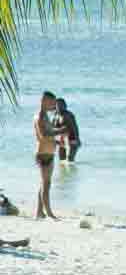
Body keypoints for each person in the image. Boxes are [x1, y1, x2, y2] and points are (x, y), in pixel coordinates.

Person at [33, 91, 67, 220]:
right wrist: (60, 130)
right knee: (46, 184)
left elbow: (49, 135)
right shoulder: (40, 117)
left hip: (49, 153)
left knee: (45, 183)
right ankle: (50, 214)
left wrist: (58, 142)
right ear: (44, 101)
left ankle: (39, 212)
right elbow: (43, 136)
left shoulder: (46, 116)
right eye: (52, 102)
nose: (54, 105)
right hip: (43, 154)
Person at [53, 97, 81, 162]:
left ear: (65, 106)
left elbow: (74, 127)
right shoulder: (55, 115)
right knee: (61, 160)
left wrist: (77, 139)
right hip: (61, 140)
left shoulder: (67, 115)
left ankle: (72, 171)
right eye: (58, 105)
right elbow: (52, 128)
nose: (60, 107)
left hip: (72, 140)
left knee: (70, 160)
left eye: (61, 105)